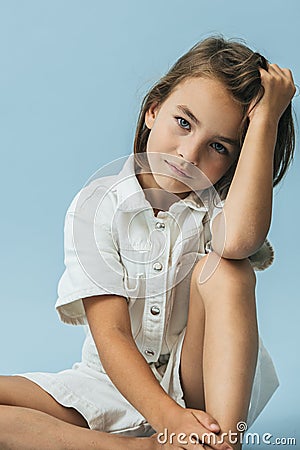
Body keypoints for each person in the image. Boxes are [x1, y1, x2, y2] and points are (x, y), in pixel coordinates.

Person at [0, 35, 296, 450]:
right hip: (113, 382)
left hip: (200, 387)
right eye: (184, 122)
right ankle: (142, 446)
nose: (189, 155)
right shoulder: (98, 205)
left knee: (229, 268)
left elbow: (241, 241)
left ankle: (224, 443)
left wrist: (267, 119)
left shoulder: (219, 211)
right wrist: (168, 420)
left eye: (218, 147)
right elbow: (113, 335)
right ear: (153, 110)